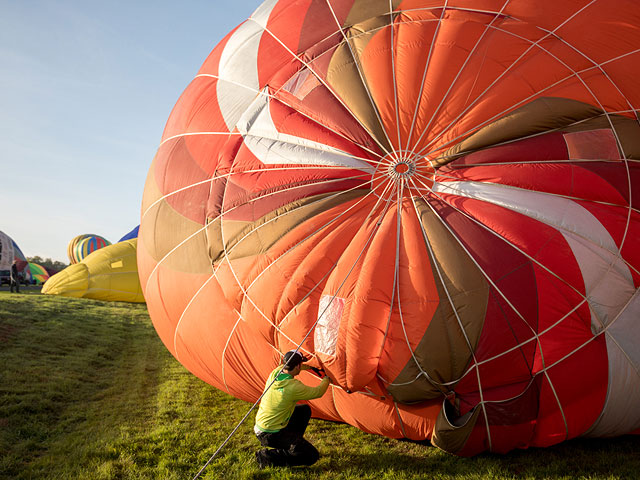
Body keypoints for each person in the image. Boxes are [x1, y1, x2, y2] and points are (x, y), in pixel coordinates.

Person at [254, 350, 331, 469]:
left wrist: (311, 367)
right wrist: (327, 378)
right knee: (311, 456)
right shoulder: (293, 387)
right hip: (271, 434)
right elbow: (318, 392)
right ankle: (266, 457)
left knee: (304, 410)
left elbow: (297, 365)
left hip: (262, 426)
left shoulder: (275, 373)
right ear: (297, 366)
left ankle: (293, 444)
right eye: (300, 364)